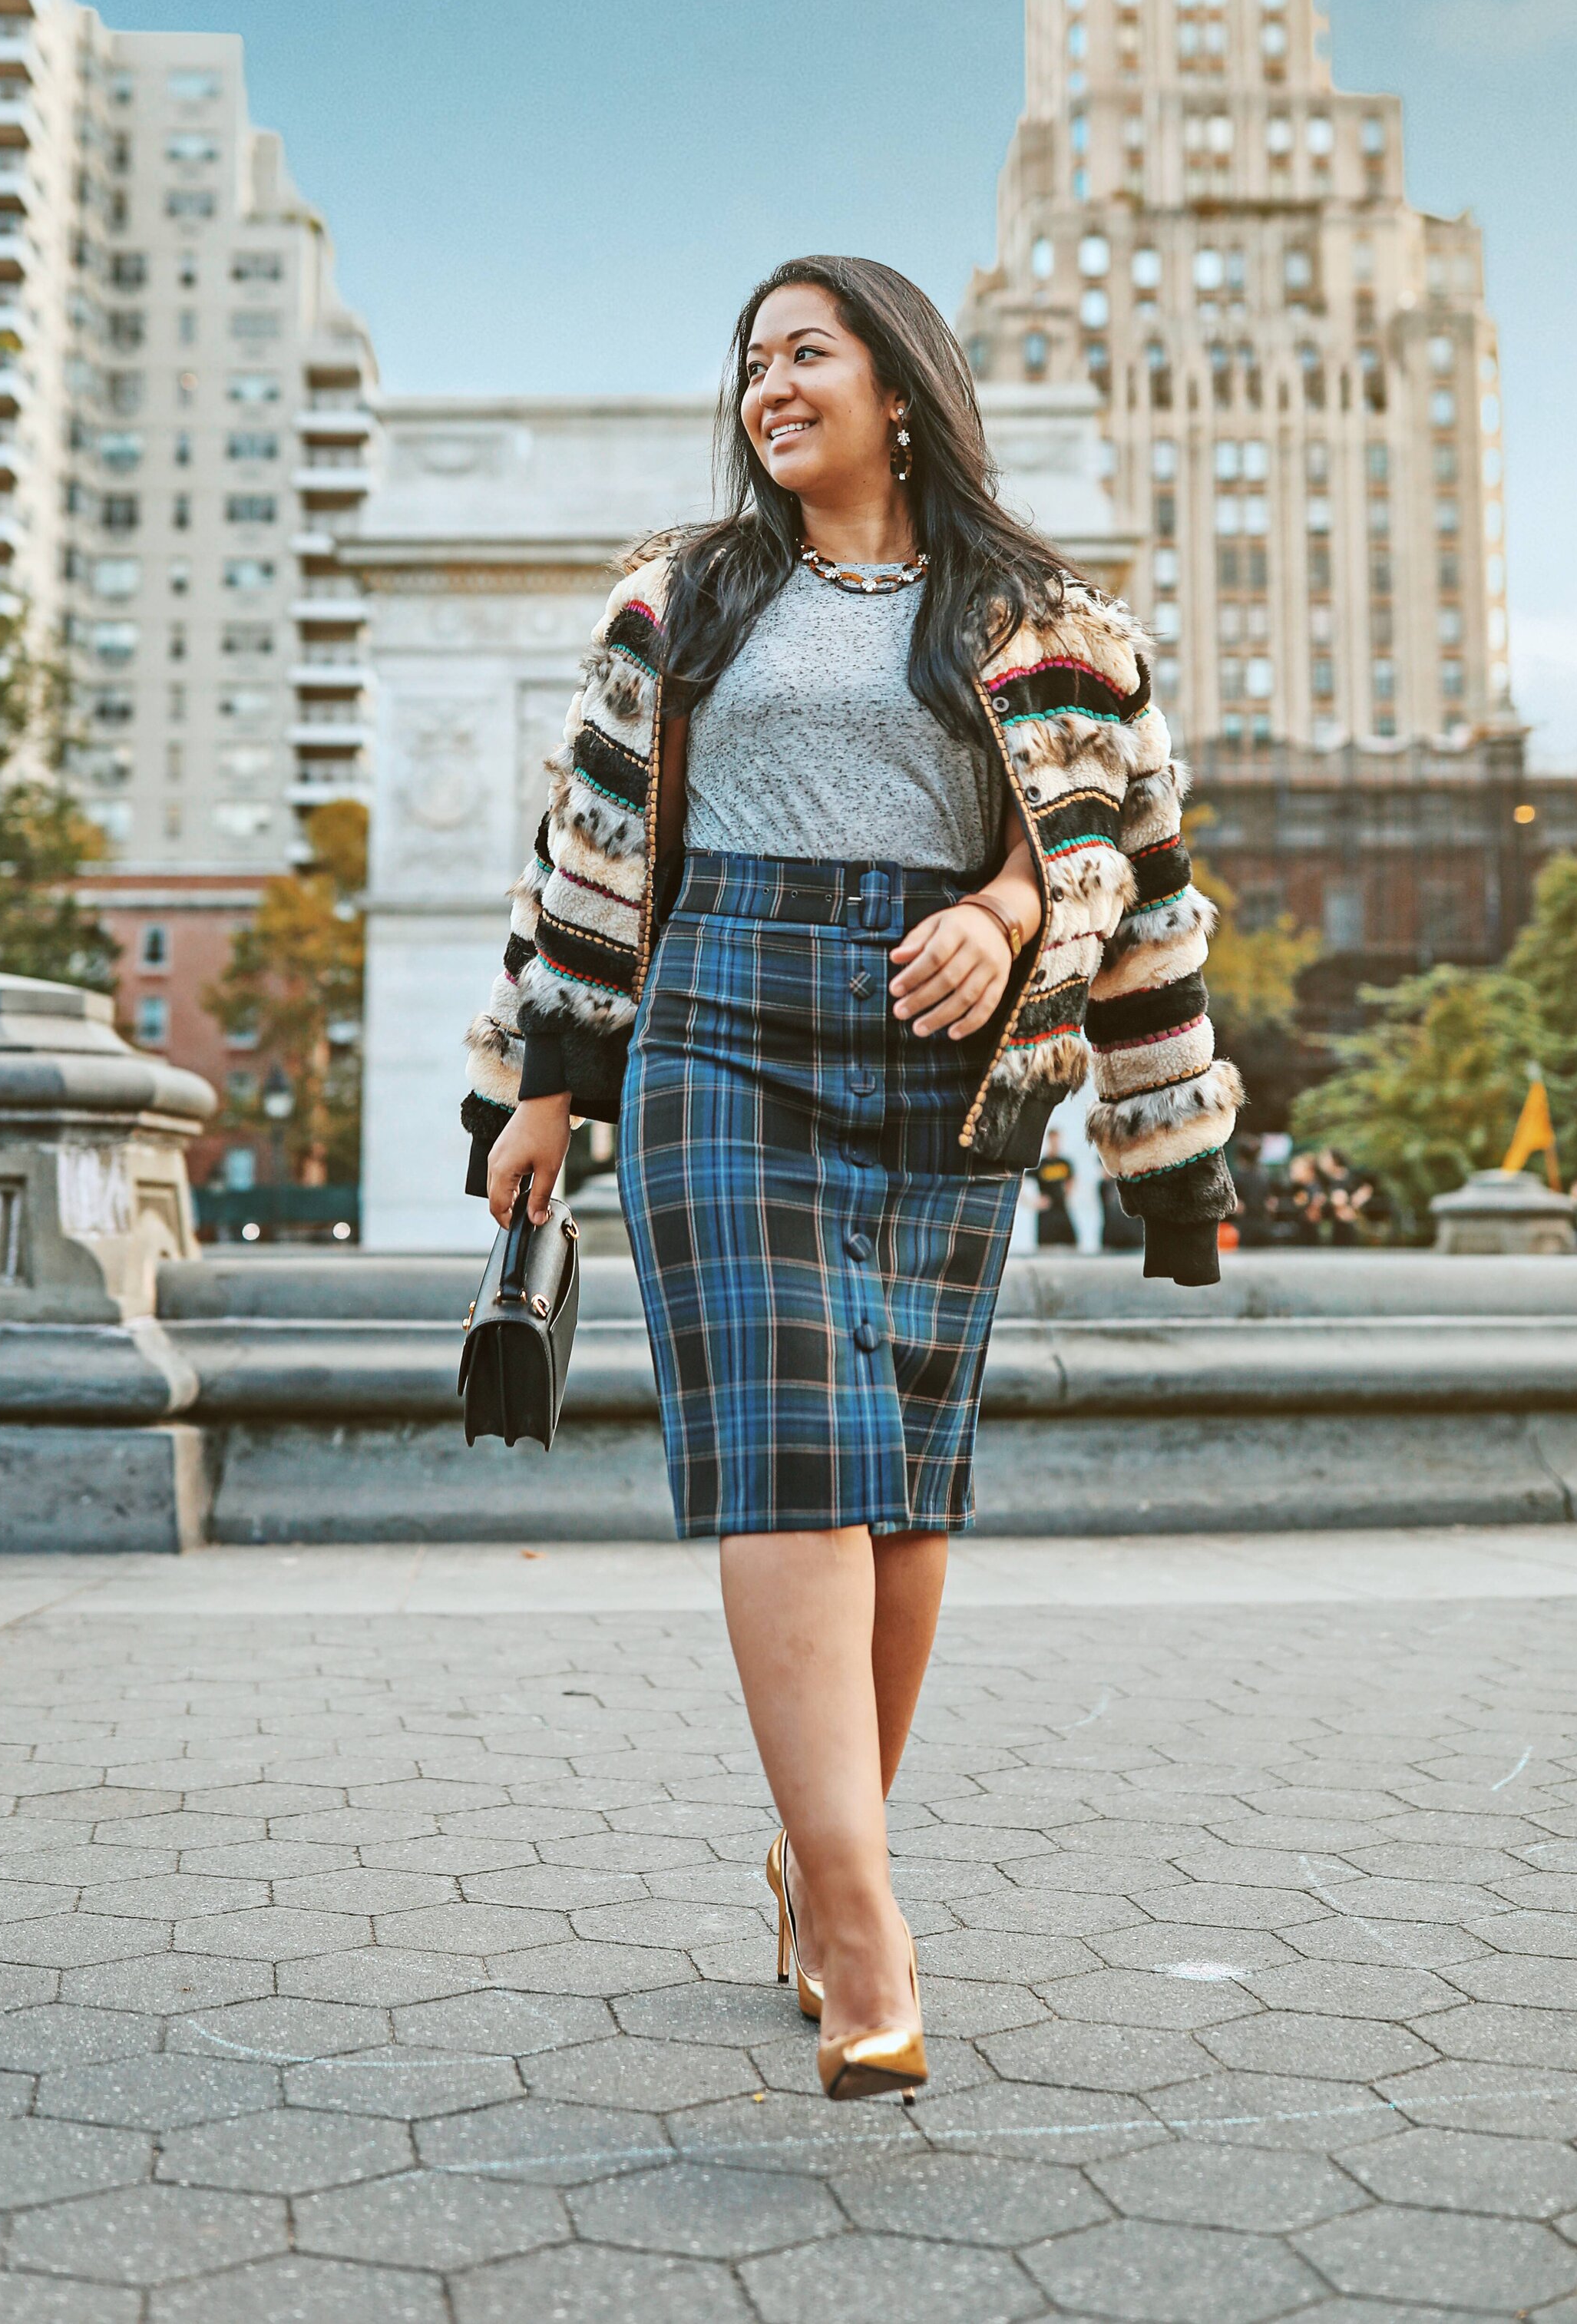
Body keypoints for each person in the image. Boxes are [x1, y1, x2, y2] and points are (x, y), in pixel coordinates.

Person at [462, 256, 1241, 2101]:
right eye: (750, 361)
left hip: (950, 1064)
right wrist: (539, 1089)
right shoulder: (689, 593)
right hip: (719, 1022)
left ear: (904, 387)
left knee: (902, 1489)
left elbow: (1135, 867)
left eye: (808, 351)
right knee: (796, 1451)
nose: (769, 384)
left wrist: (1020, 926)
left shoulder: (1058, 624)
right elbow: (585, 842)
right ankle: (870, 1913)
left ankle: (815, 1869)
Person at [1033, 1128, 1077, 1249]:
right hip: (1046, 1215)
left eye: (1058, 1141)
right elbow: (1022, 1181)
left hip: (1062, 1211)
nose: (1056, 1144)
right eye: (1053, 1141)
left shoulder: (1065, 1163)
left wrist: (1068, 1194)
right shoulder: (1041, 1164)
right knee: (1045, 1248)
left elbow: (1072, 1180)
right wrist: (1032, 1202)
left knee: (1073, 1245)